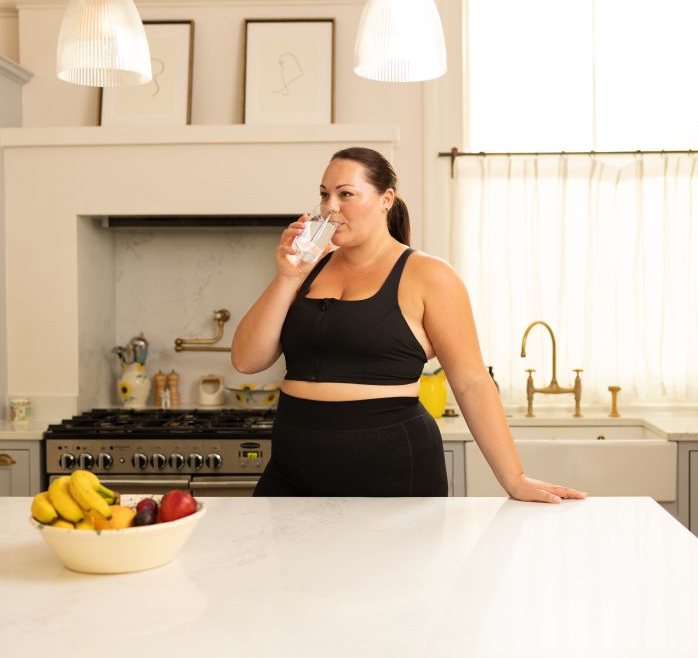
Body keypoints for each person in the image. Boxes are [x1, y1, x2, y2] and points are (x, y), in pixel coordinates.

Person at [231, 147, 587, 503]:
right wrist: (287, 278)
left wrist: (515, 478)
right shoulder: (307, 270)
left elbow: (472, 382)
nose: (330, 207)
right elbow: (246, 360)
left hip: (390, 470)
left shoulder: (430, 276)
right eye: (324, 194)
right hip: (292, 469)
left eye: (346, 194)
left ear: (386, 199)